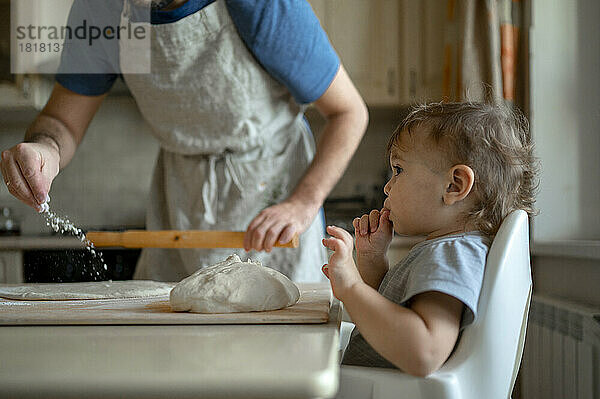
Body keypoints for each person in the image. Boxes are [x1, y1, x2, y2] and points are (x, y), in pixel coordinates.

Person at [0, 0, 368, 282]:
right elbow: (61, 120)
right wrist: (44, 148)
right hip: (179, 200)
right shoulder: (104, 9)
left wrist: (303, 202)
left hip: (273, 203)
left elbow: (349, 112)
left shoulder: (261, 6)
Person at [321, 102, 538, 376]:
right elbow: (388, 318)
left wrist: (350, 287)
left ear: (454, 185)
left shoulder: (453, 254)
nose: (388, 186)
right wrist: (372, 259)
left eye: (398, 170)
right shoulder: (449, 249)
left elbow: (424, 352)